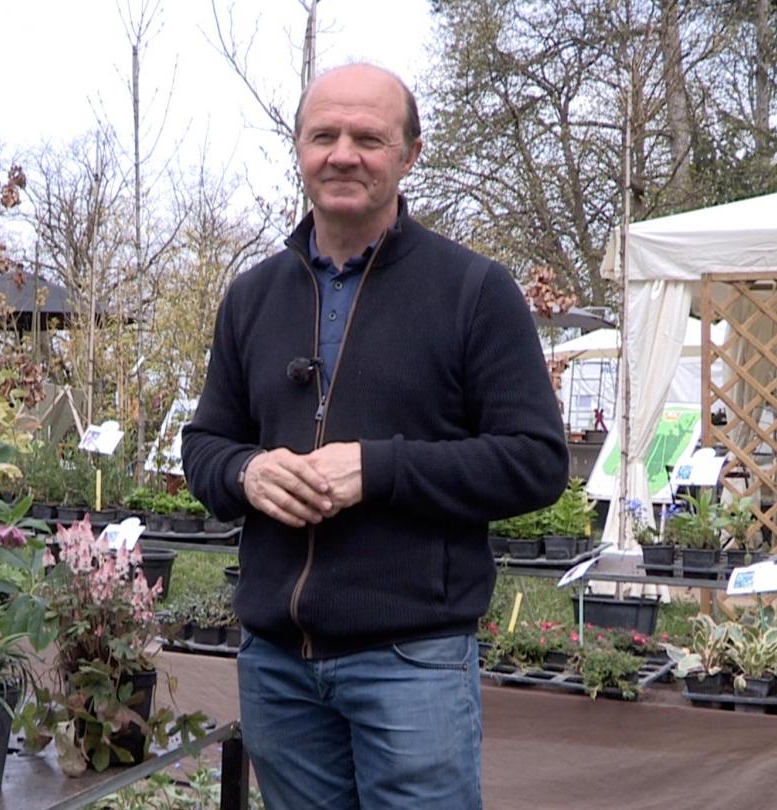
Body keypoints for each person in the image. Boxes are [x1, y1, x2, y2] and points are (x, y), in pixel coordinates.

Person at [181, 62, 569, 809]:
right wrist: (247, 473)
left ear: (410, 154)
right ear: (298, 148)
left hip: (411, 659)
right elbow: (205, 445)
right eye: (324, 135)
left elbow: (536, 462)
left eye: (369, 137)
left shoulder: (473, 292)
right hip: (276, 666)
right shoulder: (252, 296)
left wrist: (377, 469)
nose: (343, 153)